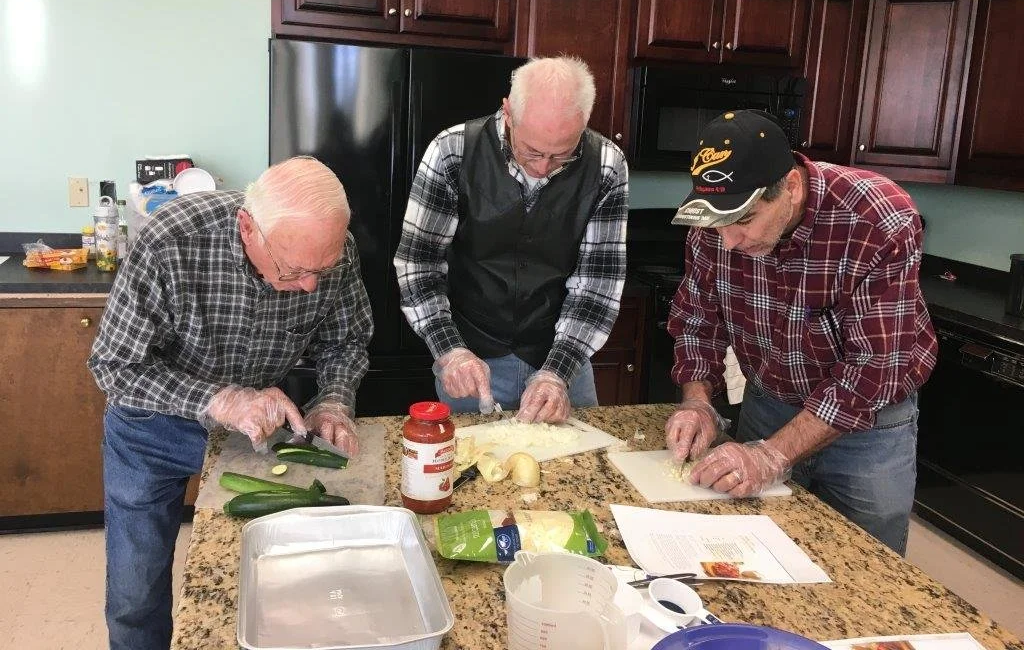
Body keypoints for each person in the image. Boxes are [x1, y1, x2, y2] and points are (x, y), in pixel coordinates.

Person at [88, 156, 373, 650]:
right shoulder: (171, 240)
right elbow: (115, 366)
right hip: (151, 430)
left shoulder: (332, 250)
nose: (310, 285)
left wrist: (332, 401)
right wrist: (218, 399)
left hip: (253, 428)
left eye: (321, 271)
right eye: (294, 270)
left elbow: (345, 341)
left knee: (261, 567)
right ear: (247, 227)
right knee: (137, 591)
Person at [665, 109, 937, 555]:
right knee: (753, 553)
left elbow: (872, 369)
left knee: (863, 562)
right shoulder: (716, 221)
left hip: (869, 429)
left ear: (790, 187)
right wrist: (698, 402)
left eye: (745, 220)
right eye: (719, 224)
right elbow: (698, 321)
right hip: (769, 402)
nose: (728, 240)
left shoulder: (877, 218)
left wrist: (771, 455)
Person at [394, 56, 629, 423]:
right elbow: (418, 265)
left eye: (562, 155)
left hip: (563, 358)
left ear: (583, 125)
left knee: (578, 457)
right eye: (532, 151)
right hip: (470, 360)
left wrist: (556, 373)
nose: (543, 167)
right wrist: (450, 350)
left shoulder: (606, 166)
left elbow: (597, 285)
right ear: (508, 112)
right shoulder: (452, 151)